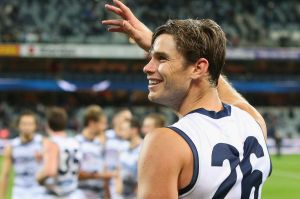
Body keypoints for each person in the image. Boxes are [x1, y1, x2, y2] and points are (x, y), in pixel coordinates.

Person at [102, 1, 272, 198]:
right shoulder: (253, 123)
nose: (147, 67)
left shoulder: (165, 143)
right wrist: (156, 44)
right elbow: (223, 89)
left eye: (161, 58)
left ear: (199, 68)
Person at [36, 107, 83, 199]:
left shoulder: (52, 142)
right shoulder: (75, 142)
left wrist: (38, 178)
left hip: (56, 193)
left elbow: (50, 171)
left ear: (48, 124)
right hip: (73, 192)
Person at [0, 110, 45, 199]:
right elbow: (5, 175)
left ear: (35, 126)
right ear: (18, 126)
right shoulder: (12, 146)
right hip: (19, 191)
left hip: (39, 191)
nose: (27, 127)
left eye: (30, 124)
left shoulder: (43, 143)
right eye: (24, 124)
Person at [75, 105, 114, 199]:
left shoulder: (99, 144)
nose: (105, 127)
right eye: (102, 123)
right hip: (82, 193)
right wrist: (99, 176)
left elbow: (104, 172)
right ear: (92, 123)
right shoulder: (77, 143)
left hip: (99, 194)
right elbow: (75, 173)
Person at [116, 118, 142, 199]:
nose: (121, 133)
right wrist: (118, 183)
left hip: (137, 194)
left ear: (134, 130)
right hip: (121, 193)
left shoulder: (144, 147)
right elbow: (119, 168)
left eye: (124, 129)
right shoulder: (122, 146)